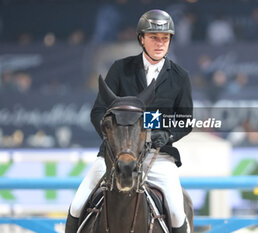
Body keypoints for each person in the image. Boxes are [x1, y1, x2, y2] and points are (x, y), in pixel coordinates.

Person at [65, 9, 193, 233]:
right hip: (116, 155)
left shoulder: (179, 77)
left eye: (165, 38)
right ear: (141, 39)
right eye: (154, 37)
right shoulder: (120, 69)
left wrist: (169, 134)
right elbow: (98, 112)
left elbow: (187, 119)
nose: (160, 43)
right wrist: (113, 138)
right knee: (77, 204)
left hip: (158, 157)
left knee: (176, 210)